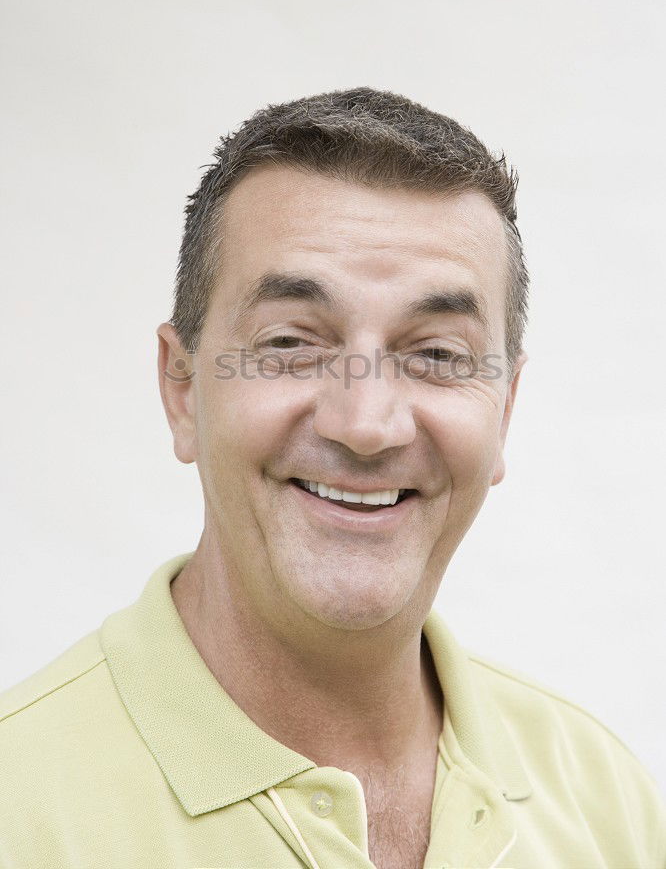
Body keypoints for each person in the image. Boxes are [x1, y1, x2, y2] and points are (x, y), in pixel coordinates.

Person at [1, 88, 664, 869]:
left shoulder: (605, 800)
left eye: (438, 355)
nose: (366, 423)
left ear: (505, 410)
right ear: (182, 388)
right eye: (292, 342)